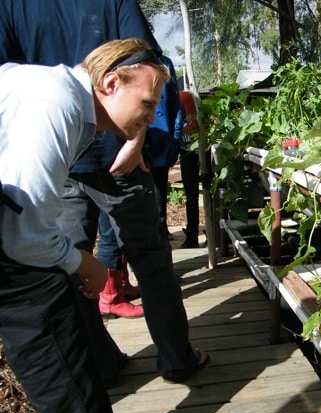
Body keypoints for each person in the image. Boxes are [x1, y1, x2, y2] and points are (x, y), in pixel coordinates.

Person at [0, 0, 210, 382]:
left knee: (68, 262)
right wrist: (137, 136)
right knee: (149, 256)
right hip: (108, 149)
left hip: (56, 153)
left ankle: (101, 363)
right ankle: (177, 358)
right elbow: (149, 65)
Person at [0, 38, 178, 413]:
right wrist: (85, 264)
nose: (151, 117)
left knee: (55, 306)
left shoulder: (75, 109)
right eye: (148, 101)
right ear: (111, 82)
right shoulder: (53, 104)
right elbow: (22, 237)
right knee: (44, 318)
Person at [148, 54, 183, 240]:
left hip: (160, 142)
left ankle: (160, 234)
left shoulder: (163, 62)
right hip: (132, 139)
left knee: (159, 195)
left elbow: (174, 103)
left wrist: (175, 138)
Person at [178, 90, 202, 248]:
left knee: (192, 194)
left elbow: (193, 125)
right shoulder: (182, 96)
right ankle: (193, 233)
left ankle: (193, 235)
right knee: (192, 194)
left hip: (192, 150)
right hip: (188, 149)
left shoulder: (183, 97)